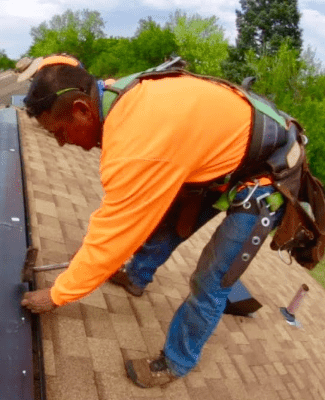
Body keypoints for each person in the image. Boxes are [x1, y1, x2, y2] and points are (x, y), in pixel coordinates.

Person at [19, 54, 302, 388]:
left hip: (267, 173)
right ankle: (137, 276)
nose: (62, 143)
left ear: (83, 108)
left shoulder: (136, 144)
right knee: (166, 223)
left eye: (61, 132)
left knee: (211, 281)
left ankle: (175, 361)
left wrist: (58, 294)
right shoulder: (111, 94)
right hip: (222, 157)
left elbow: (112, 234)